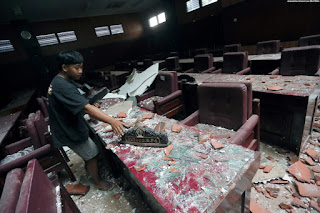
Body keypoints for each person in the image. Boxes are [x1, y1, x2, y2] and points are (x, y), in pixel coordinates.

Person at [47, 50, 124, 191]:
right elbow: (85, 108)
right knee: (92, 153)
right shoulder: (62, 86)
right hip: (68, 130)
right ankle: (97, 181)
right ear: (65, 67)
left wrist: (86, 106)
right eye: (76, 68)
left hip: (67, 124)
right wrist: (112, 121)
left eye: (81, 67)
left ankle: (91, 167)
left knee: (91, 151)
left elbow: (74, 104)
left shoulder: (60, 81)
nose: (80, 71)